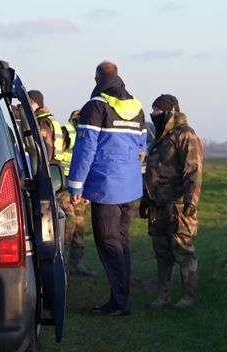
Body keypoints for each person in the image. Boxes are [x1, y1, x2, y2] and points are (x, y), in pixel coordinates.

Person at [67, 61, 147, 317]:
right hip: (130, 187)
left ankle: (120, 303)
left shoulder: (95, 106)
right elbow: (141, 148)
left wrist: (76, 185)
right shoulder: (137, 107)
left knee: (108, 243)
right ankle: (120, 297)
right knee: (121, 243)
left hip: (105, 187)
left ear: (97, 79)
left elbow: (85, 148)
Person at [140, 94, 203, 308]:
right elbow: (152, 170)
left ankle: (188, 297)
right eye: (152, 110)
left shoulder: (186, 135)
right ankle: (163, 297)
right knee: (162, 254)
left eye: (157, 110)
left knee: (183, 250)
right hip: (158, 206)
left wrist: (190, 201)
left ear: (169, 112)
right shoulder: (159, 138)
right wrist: (146, 199)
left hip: (178, 206)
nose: (153, 114)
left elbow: (193, 170)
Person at [58, 110, 93, 277]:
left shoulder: (90, 134)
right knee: (69, 226)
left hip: (79, 188)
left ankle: (77, 266)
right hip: (65, 187)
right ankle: (62, 266)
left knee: (79, 226)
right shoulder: (68, 132)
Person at [28, 90, 61, 161]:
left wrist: (44, 163)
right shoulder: (48, 118)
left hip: (48, 163)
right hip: (54, 163)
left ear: (32, 101)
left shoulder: (42, 121)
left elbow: (47, 145)